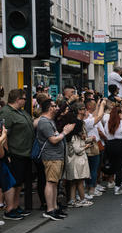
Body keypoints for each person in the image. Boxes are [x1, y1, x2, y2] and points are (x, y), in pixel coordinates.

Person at [36, 99, 75, 221]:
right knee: (50, 182)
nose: (57, 108)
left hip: (57, 156)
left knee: (54, 182)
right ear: (49, 108)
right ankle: (50, 209)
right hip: (51, 157)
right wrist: (65, 132)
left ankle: (54, 207)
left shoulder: (49, 121)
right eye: (54, 106)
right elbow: (53, 140)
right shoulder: (44, 122)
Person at [0, 89, 34, 220]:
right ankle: (10, 209)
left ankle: (16, 205)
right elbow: (4, 134)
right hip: (15, 153)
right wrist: (7, 153)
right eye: (24, 98)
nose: (25, 101)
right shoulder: (7, 113)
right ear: (17, 99)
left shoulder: (21, 111)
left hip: (25, 152)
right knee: (14, 182)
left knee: (20, 182)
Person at [63, 103, 92, 207]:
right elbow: (77, 148)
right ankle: (82, 199)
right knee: (80, 179)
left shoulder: (73, 132)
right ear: (79, 111)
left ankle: (72, 200)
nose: (85, 111)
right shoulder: (76, 129)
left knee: (74, 181)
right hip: (77, 159)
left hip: (71, 158)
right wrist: (86, 146)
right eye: (83, 109)